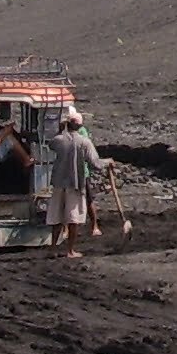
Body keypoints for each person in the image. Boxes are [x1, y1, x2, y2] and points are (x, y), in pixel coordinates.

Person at [46, 106, 102, 258]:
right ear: (80, 126)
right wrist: (108, 162)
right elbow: (95, 163)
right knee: (73, 219)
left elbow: (51, 144)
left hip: (58, 184)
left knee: (56, 218)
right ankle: (70, 250)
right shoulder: (84, 142)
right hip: (75, 184)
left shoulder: (59, 140)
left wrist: (61, 129)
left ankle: (52, 249)